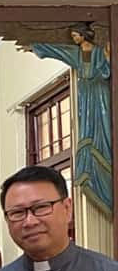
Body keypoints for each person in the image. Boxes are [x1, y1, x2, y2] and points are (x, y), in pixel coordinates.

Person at [31, 24, 112, 214]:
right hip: (85, 94)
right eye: (73, 36)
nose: (74, 38)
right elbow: (60, 51)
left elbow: (107, 70)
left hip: (99, 91)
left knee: (104, 128)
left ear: (85, 35)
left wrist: (107, 55)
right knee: (87, 131)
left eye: (76, 35)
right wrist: (38, 47)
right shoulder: (76, 54)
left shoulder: (99, 52)